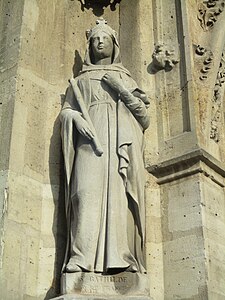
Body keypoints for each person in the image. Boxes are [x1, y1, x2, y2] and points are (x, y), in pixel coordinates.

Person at [60, 18, 150, 275]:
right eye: (95, 39)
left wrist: (121, 89)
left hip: (119, 149)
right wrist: (76, 119)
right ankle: (81, 257)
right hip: (89, 145)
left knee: (118, 201)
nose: (100, 42)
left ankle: (121, 258)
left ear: (114, 45)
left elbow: (144, 117)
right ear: (89, 45)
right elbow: (67, 111)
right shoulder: (81, 80)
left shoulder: (124, 78)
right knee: (84, 194)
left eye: (105, 39)